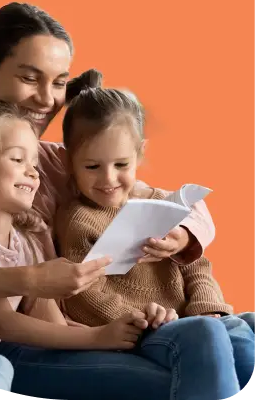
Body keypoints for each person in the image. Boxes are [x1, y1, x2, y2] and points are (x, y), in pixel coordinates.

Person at [0, 2, 220, 398]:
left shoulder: (56, 162)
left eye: (59, 83)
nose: (47, 99)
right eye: (29, 78)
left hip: (35, 330)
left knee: (228, 340)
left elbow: (158, 194)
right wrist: (32, 280)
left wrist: (183, 230)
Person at [54, 71, 255, 392]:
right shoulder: (78, 218)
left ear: (140, 154)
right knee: (233, 343)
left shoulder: (162, 203)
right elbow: (84, 295)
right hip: (145, 328)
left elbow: (197, 267)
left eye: (121, 165)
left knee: (243, 333)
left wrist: (208, 308)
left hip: (193, 316)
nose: (108, 179)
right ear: (68, 161)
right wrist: (141, 318)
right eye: (92, 167)